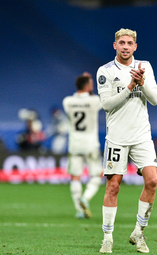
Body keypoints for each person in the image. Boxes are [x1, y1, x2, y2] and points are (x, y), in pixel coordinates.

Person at [97, 28, 157, 253]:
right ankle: (107, 237)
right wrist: (131, 87)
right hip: (117, 137)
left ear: (135, 46)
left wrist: (141, 82)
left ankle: (139, 232)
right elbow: (106, 105)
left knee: (152, 181)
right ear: (115, 46)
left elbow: (154, 100)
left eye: (129, 43)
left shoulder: (145, 66)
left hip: (142, 135)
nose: (125, 46)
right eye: (121, 43)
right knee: (113, 186)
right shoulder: (105, 71)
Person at [62, 72, 103, 219]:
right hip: (90, 144)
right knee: (97, 175)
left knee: (75, 177)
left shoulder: (67, 101)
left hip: (74, 144)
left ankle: (79, 210)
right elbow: (95, 99)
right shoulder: (94, 100)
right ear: (88, 86)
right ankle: (85, 198)